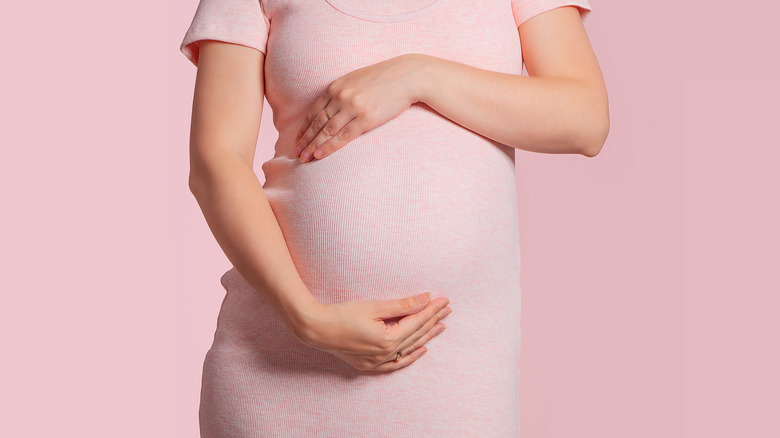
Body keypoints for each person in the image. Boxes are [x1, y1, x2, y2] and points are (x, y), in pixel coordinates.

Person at [179, 0, 608, 436]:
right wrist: (304, 316)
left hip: (456, 376)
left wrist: (419, 76)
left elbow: (585, 118)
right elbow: (217, 160)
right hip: (276, 369)